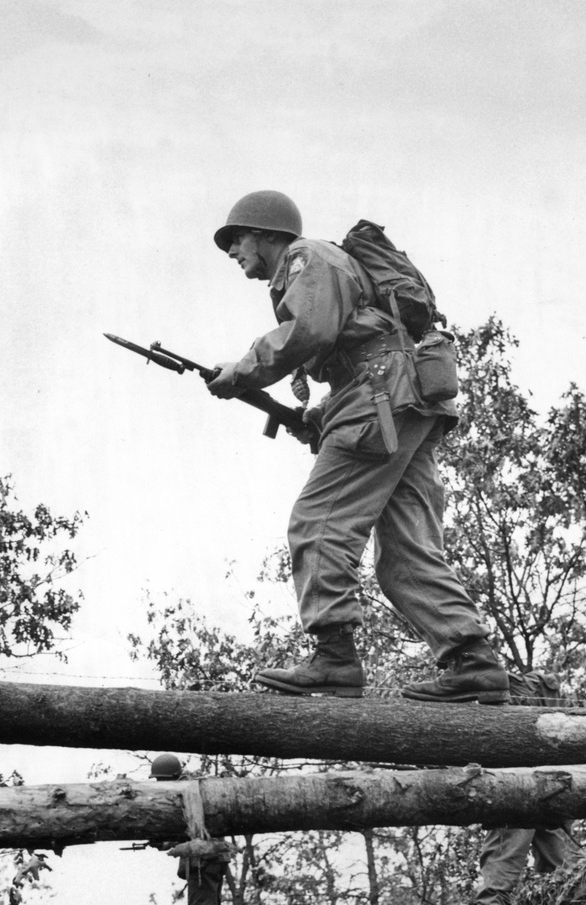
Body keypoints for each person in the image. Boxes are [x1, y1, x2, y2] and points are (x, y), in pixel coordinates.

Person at [207, 190, 509, 704]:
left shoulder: (307, 257)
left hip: (381, 398)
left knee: (318, 522)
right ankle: (473, 662)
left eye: (237, 240)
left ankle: (334, 659)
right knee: (406, 554)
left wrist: (240, 372)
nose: (233, 252)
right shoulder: (325, 264)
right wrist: (319, 415)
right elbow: (357, 349)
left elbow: (307, 332)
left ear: (267, 233)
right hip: (402, 400)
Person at [471, 670, 583, 905]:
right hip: (520, 784)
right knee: (513, 847)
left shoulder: (548, 723)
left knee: (566, 874)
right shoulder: (507, 717)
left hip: (545, 782)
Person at [149, 753, 234, 905]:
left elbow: (194, 830)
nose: (159, 783)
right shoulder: (194, 791)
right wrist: (164, 843)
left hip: (204, 863)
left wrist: (166, 841)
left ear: (170, 776)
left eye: (161, 779)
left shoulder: (188, 794)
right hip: (210, 861)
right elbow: (189, 832)